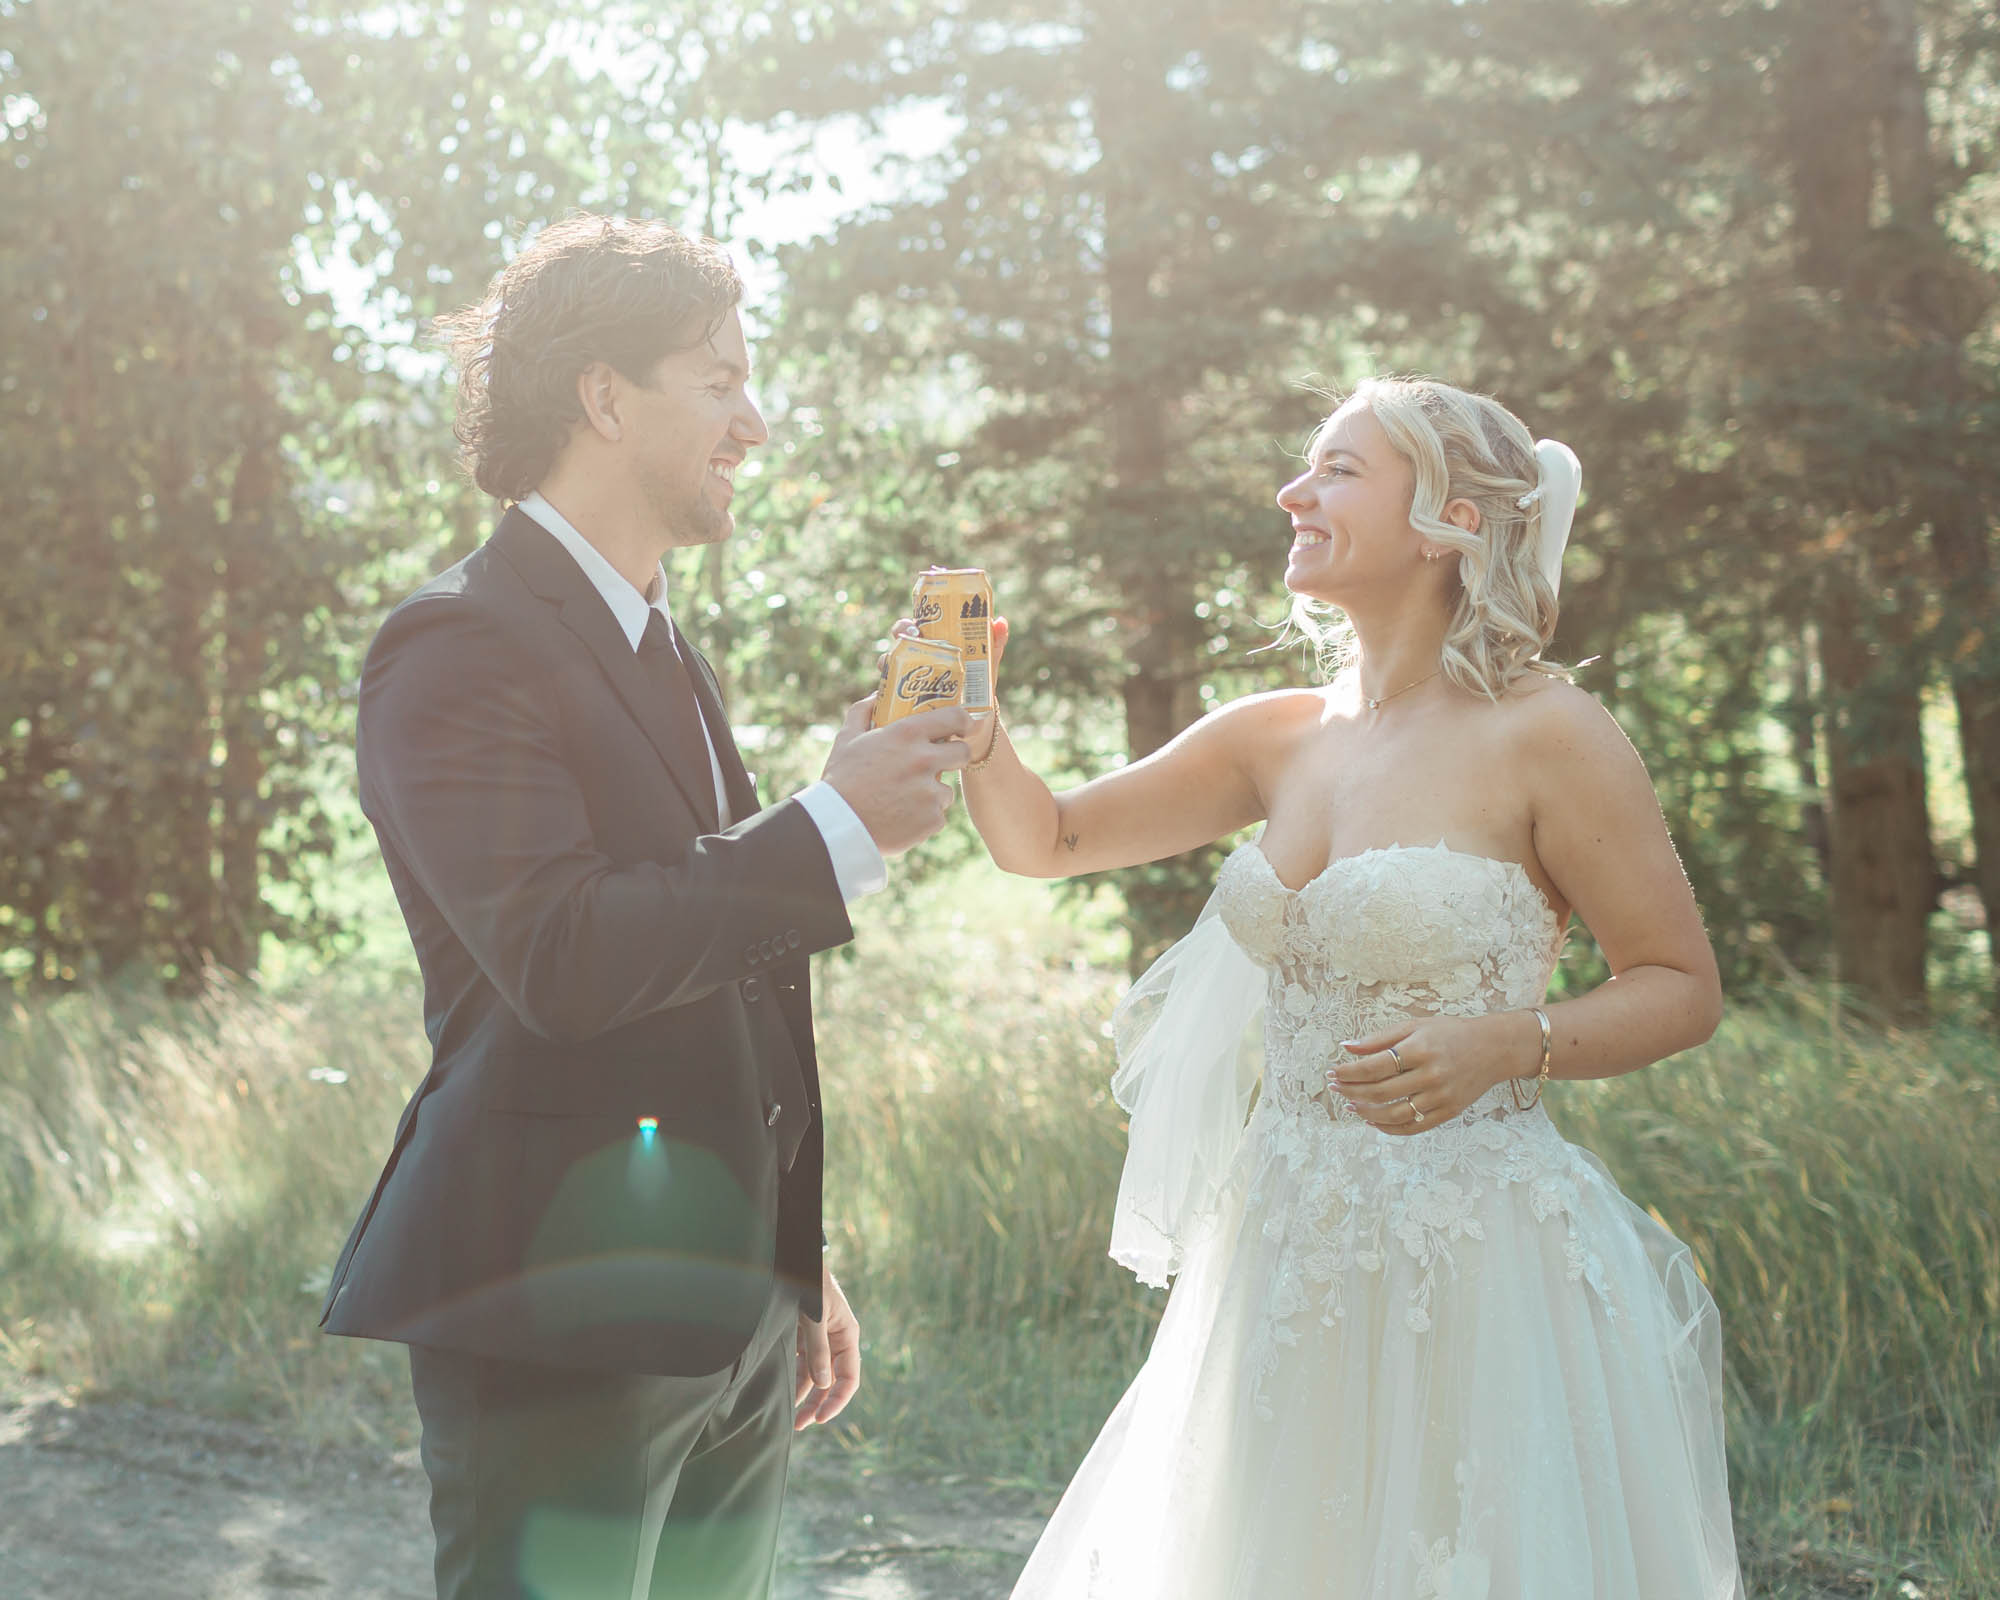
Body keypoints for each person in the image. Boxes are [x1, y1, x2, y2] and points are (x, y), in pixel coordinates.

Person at [958, 378, 1745, 1596]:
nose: (1292, 491)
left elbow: (1678, 984)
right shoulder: (1276, 736)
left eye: (1335, 469)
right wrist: (973, 718)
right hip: (1279, 1249)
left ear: (1448, 521)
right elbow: (1046, 839)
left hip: (1472, 1264)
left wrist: (1508, 1039)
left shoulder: (1548, 733)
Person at [317, 214, 973, 1600]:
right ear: (604, 397)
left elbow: (732, 966)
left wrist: (793, 1259)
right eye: (723, 378)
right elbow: (562, 954)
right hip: (555, 1316)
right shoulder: (456, 642)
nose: (760, 419)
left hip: (725, 1312)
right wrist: (837, 820)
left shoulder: (666, 645)